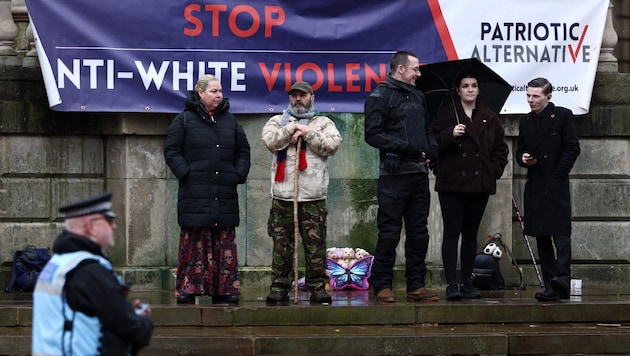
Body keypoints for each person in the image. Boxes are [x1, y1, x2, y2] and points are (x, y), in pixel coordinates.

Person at [164, 74, 251, 304]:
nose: (219, 95)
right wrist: (187, 174)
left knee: (223, 241)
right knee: (195, 241)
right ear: (200, 93)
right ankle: (189, 288)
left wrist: (237, 174)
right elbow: (172, 151)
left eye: (220, 91)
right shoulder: (183, 120)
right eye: (213, 91)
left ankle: (224, 289)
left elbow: (243, 151)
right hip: (195, 195)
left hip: (224, 195)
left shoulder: (231, 122)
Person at [32, 192, 153, 355]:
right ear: (91, 227)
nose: (114, 226)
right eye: (109, 220)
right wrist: (143, 319)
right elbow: (133, 330)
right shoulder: (90, 271)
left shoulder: (56, 264)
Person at [364, 50, 440, 303]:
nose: (419, 74)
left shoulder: (419, 96)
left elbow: (428, 129)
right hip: (393, 176)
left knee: (419, 232)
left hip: (419, 174)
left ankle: (416, 284)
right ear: (401, 70)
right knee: (389, 232)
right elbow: (372, 134)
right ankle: (382, 284)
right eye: (415, 69)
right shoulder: (380, 95)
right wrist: (403, 146)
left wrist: (433, 150)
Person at [261, 81, 342, 304]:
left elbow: (332, 145)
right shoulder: (277, 121)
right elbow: (269, 140)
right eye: (294, 95)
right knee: (281, 246)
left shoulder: (324, 123)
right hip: (283, 196)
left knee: (315, 246)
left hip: (312, 197)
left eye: (302, 96)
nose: (298, 99)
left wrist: (307, 133)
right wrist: (290, 130)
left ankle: (317, 287)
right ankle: (279, 287)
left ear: (312, 98)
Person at [431, 72, 509, 300]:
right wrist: (450, 134)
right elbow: (432, 145)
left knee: (471, 234)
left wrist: (491, 171)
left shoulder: (489, 117)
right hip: (452, 184)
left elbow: (501, 150)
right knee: (451, 233)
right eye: (465, 86)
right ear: (458, 89)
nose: (470, 90)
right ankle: (451, 283)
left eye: (474, 85)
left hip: (479, 184)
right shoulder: (445, 115)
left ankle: (467, 281)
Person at [516, 77, 580, 301]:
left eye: (536, 96)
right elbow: (520, 151)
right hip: (535, 184)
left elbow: (572, 147)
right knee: (541, 236)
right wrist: (523, 158)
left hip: (555, 184)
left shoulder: (562, 116)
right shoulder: (525, 122)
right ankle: (550, 282)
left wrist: (558, 175)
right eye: (528, 95)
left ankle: (562, 280)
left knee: (561, 236)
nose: (531, 100)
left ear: (548, 96)